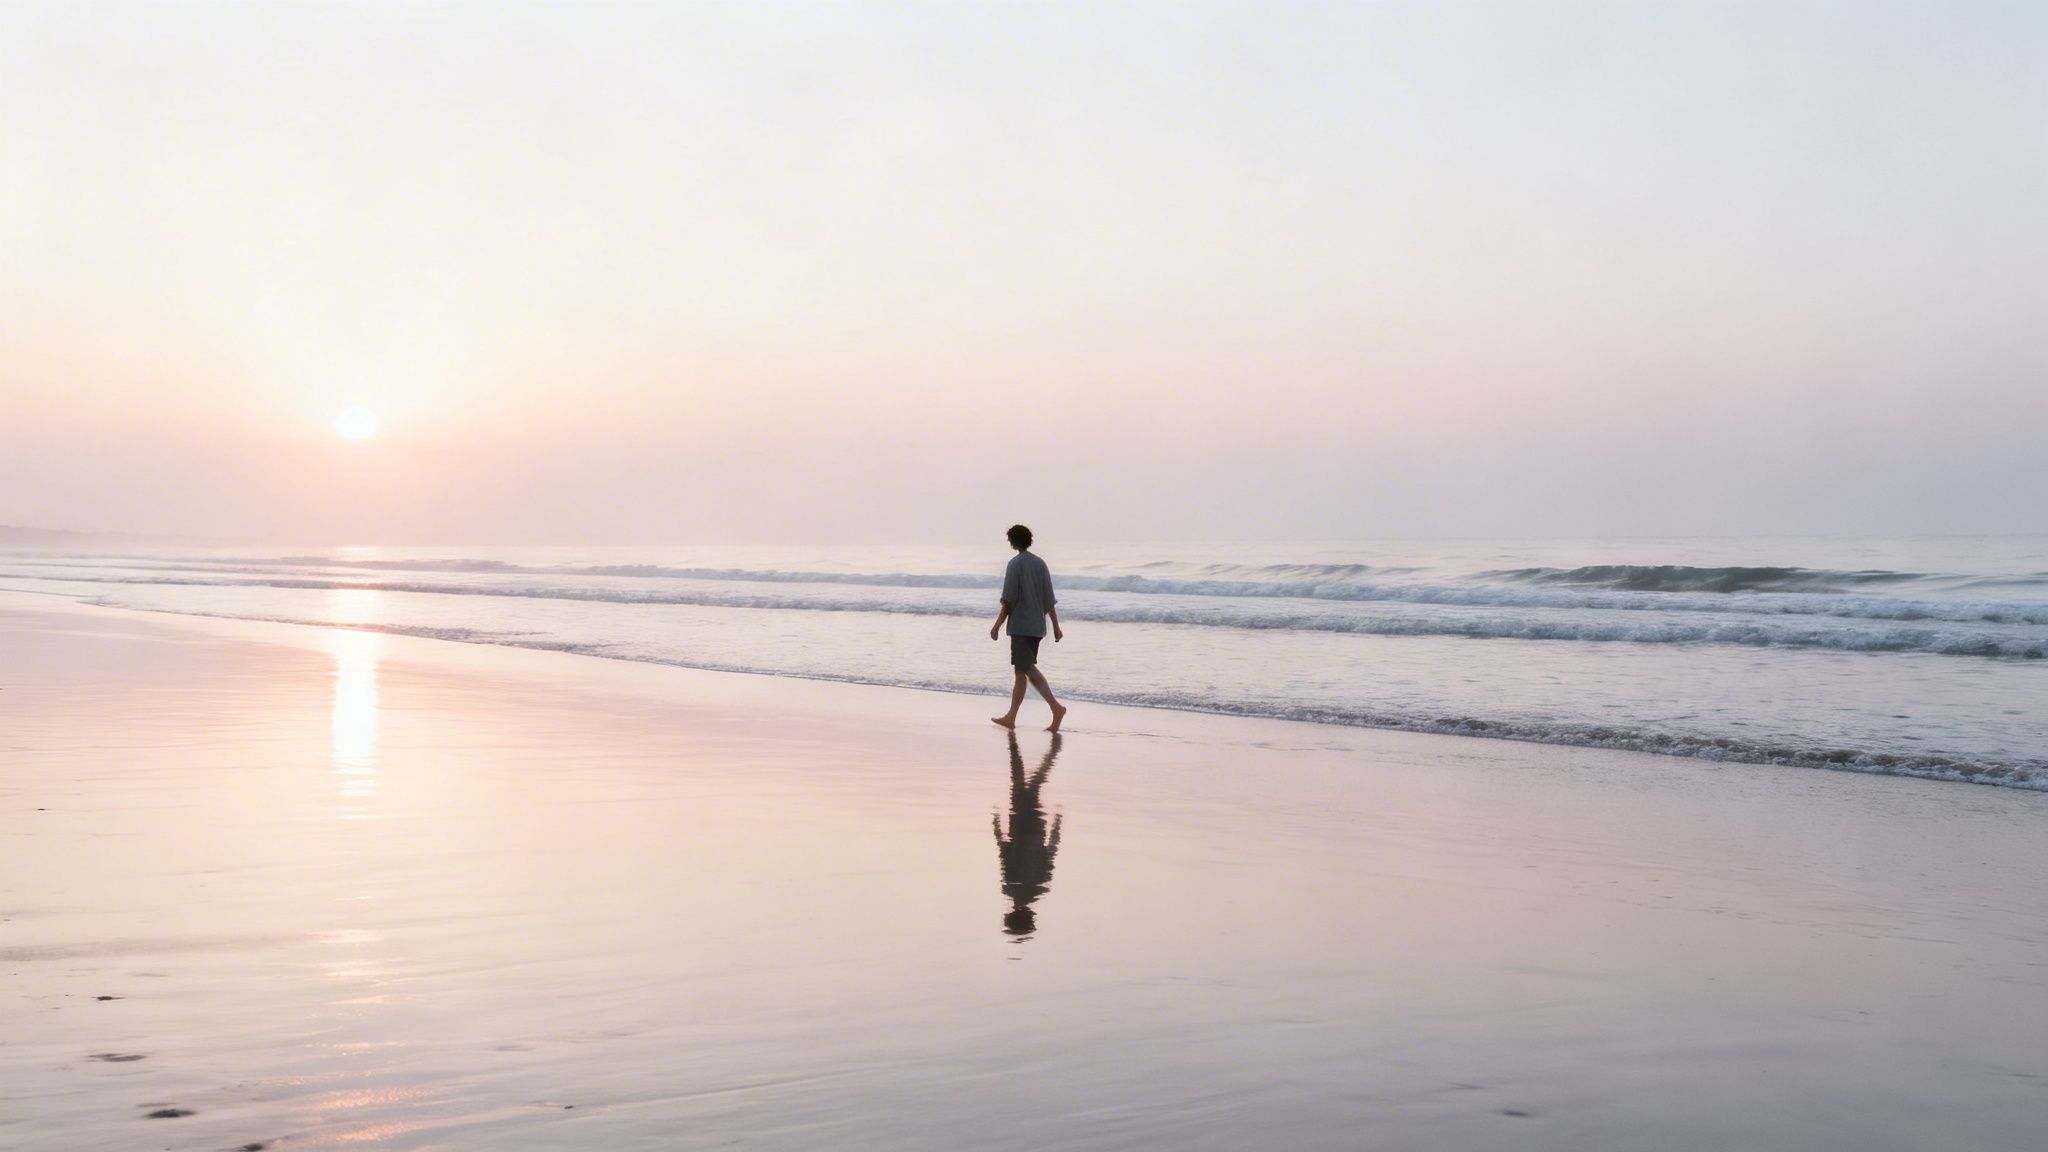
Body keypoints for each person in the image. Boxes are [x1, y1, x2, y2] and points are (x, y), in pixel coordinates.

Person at [989, 523, 1066, 731]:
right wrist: (1056, 627)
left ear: (1013, 541)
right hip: (1038, 628)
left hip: (1021, 627)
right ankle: (1011, 717)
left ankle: (1056, 708)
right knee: (1020, 672)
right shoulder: (1040, 564)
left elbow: (1009, 600)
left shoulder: (1015, 565)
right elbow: (1049, 599)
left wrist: (996, 626)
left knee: (1027, 668)